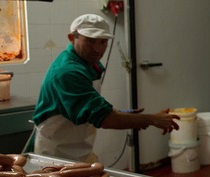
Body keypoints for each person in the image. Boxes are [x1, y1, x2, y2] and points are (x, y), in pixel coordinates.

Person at [32, 14, 179, 162]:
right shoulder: (68, 72)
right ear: (72, 38)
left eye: (103, 42)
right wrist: (152, 119)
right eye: (90, 41)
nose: (98, 49)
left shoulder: (89, 64)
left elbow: (88, 106)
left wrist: (123, 114)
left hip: (77, 148)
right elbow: (106, 119)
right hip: (55, 153)